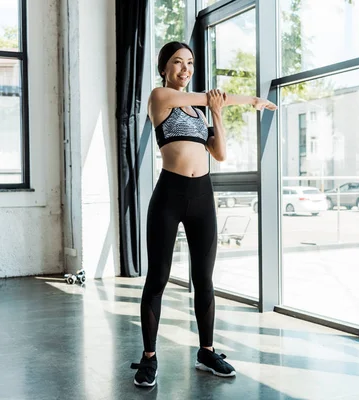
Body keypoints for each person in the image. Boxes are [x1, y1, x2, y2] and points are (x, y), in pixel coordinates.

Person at [130, 41, 277, 387]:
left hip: (202, 196)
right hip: (169, 195)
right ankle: (149, 358)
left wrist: (218, 112)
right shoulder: (161, 98)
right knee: (159, 277)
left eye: (190, 63)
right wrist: (250, 101)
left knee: (205, 279)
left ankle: (206, 351)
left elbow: (220, 153)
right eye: (178, 63)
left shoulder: (200, 111)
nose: (185, 69)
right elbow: (203, 96)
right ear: (164, 67)